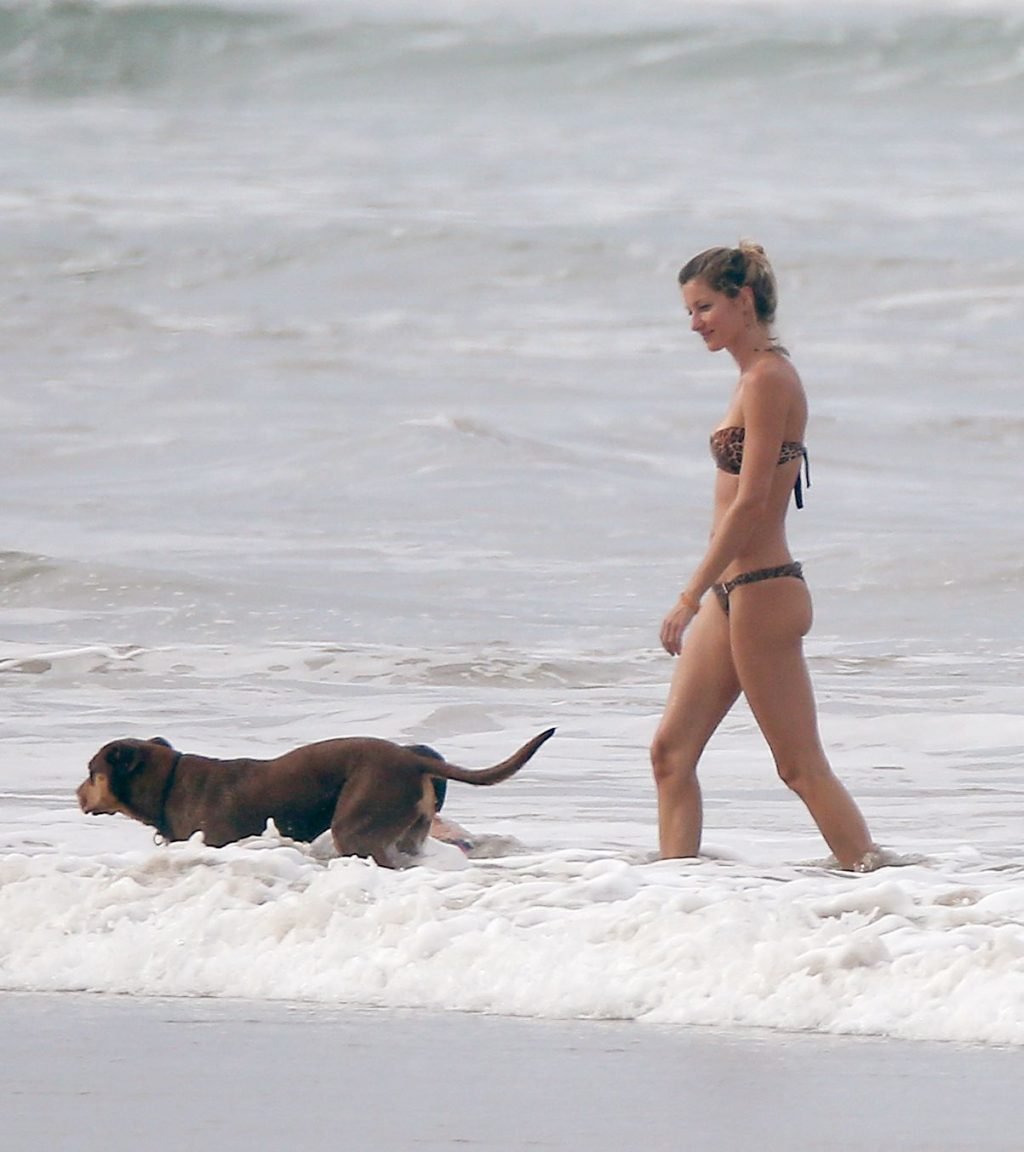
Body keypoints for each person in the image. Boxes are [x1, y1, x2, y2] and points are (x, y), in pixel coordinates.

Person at [650, 242, 879, 871]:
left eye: (704, 307)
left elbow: (751, 503)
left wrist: (686, 596)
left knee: (799, 766)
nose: (694, 323)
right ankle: (672, 896)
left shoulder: (769, 379)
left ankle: (883, 887)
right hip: (732, 594)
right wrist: (707, 591)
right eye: (689, 311)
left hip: (763, 589)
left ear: (743, 300)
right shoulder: (751, 379)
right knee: (670, 754)